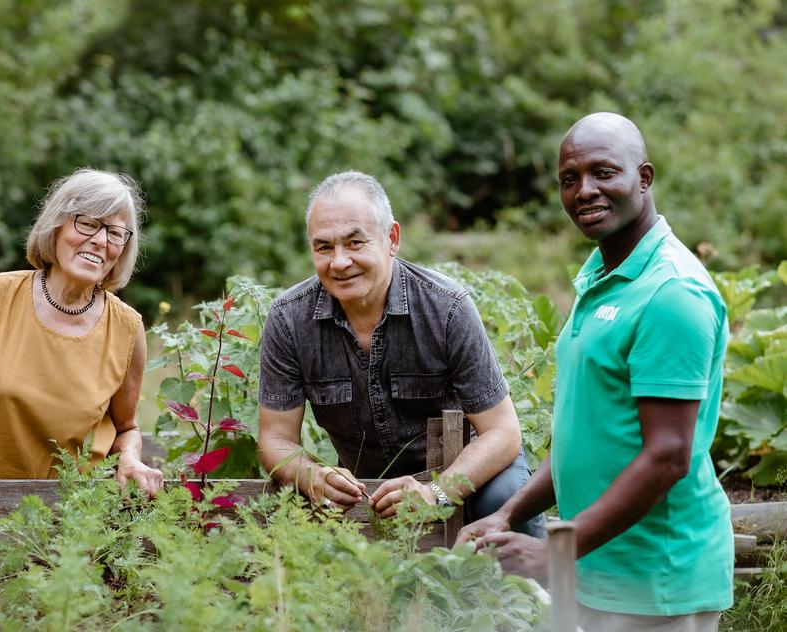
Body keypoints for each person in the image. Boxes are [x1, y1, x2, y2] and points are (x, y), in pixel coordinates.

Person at [457, 113, 733, 630]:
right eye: (569, 178)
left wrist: (554, 554)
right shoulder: (602, 274)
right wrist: (509, 513)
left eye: (604, 173)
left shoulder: (670, 294)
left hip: (656, 580)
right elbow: (585, 435)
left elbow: (668, 456)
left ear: (644, 178)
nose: (585, 190)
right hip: (594, 571)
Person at [257, 170, 542, 536]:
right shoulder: (289, 319)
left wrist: (436, 492)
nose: (339, 262)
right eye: (323, 247)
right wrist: (310, 474)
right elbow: (275, 439)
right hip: (372, 490)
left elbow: (502, 432)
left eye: (355, 243)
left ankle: (534, 591)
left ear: (391, 238)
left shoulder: (447, 308)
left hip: (469, 473)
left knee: (505, 498)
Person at [0, 168, 164, 521]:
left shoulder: (127, 328)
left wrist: (130, 459)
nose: (101, 241)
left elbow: (126, 428)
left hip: (72, 516)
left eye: (115, 233)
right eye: (87, 223)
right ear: (56, 226)